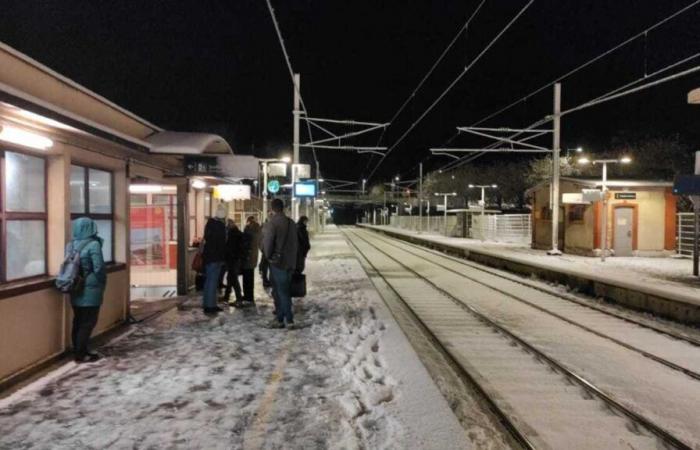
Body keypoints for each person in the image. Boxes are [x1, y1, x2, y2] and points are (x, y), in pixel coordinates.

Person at [67, 217, 106, 363]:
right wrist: (101, 282)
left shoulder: (70, 245)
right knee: (88, 321)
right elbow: (99, 268)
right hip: (91, 288)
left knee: (78, 320)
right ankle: (81, 354)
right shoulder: (94, 244)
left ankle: (78, 350)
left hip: (74, 286)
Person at [262, 199, 298, 328]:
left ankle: (288, 320)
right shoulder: (291, 223)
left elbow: (267, 243)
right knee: (284, 290)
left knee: (281, 291)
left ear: (272, 208)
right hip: (291, 262)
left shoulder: (273, 223)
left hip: (278, 263)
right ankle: (280, 318)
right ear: (283, 208)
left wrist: (268, 257)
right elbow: (296, 243)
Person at [202, 205, 227, 314]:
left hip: (208, 257)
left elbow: (207, 238)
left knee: (209, 281)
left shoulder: (209, 223)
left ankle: (207, 303)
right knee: (213, 282)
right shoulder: (220, 226)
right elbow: (222, 244)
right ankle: (210, 306)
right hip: (216, 257)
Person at [223, 219, 244, 307]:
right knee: (230, 278)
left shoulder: (233, 234)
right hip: (235, 259)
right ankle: (227, 296)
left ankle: (239, 299)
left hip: (233, 259)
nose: (227, 226)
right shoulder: (237, 233)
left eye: (228, 224)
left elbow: (229, 248)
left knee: (233, 279)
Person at [241, 215, 262, 304]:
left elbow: (245, 242)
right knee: (250, 277)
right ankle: (249, 296)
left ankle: (248, 296)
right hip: (253, 257)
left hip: (247, 257)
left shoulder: (249, 231)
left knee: (247, 278)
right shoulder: (257, 230)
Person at [258, 212, 273, 287]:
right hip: (267, 248)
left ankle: (266, 279)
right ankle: (265, 280)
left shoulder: (266, 225)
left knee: (266, 264)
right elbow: (260, 237)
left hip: (266, 248)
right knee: (266, 264)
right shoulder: (266, 225)